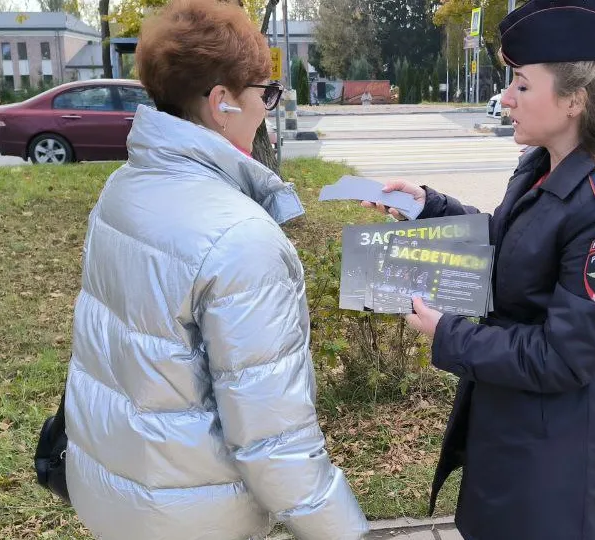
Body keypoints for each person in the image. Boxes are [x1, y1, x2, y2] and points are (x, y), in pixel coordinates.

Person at [63, 0, 368, 539]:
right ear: (221, 101)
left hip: (116, 493)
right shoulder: (242, 240)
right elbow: (275, 443)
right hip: (196, 518)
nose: (267, 109)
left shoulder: (122, 191)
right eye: (265, 93)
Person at [362, 0, 595, 538]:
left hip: (557, 451)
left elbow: (564, 359)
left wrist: (447, 334)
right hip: (511, 424)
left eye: (522, 85)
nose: (506, 98)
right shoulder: (540, 169)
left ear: (575, 100)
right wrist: (430, 205)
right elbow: (509, 244)